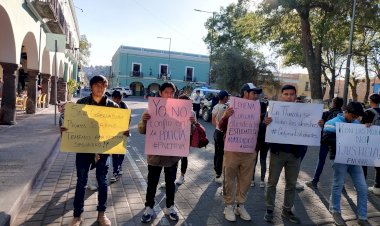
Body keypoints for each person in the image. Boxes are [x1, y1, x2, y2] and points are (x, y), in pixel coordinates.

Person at [63, 75, 126, 226]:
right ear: (91, 87)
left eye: (103, 85)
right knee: (81, 182)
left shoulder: (113, 107)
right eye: (97, 84)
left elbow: (118, 128)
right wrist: (66, 128)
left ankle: (101, 214)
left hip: (103, 149)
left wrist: (123, 133)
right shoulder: (81, 103)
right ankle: (77, 215)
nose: (100, 87)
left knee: (103, 182)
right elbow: (72, 123)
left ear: (106, 87)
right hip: (84, 149)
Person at [264, 85, 323, 224]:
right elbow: (264, 130)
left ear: (296, 96)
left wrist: (319, 124)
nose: (289, 97)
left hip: (295, 155)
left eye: (292, 94)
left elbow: (313, 129)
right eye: (286, 94)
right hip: (277, 153)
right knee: (272, 182)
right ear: (281, 95)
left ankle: (287, 210)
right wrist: (265, 123)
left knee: (291, 184)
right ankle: (269, 210)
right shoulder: (273, 110)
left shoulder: (307, 112)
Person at [138, 82, 195, 223]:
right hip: (155, 155)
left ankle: (170, 207)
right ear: (161, 93)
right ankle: (149, 207)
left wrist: (191, 124)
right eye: (166, 92)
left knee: (171, 183)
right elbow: (141, 130)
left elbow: (189, 133)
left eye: (172, 92)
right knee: (152, 182)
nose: (169, 95)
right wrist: (144, 121)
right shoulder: (152, 109)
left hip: (172, 156)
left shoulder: (181, 110)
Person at [218, 83, 261, 222]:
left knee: (246, 180)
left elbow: (260, 130)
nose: (256, 96)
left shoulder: (258, 108)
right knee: (229, 179)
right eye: (253, 93)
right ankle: (228, 206)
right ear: (245, 93)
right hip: (232, 151)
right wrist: (226, 117)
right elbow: (221, 127)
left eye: (256, 93)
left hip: (249, 151)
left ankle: (240, 205)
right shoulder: (232, 107)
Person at [322, 102, 370, 226]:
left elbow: (363, 139)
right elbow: (325, 139)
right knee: (338, 185)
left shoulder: (356, 123)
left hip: (355, 159)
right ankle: (335, 211)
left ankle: (362, 217)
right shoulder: (332, 122)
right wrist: (344, 139)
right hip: (339, 159)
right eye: (353, 116)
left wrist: (367, 129)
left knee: (362, 187)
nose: (355, 119)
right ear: (346, 112)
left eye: (357, 117)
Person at [306, 97, 343, 189]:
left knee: (321, 160)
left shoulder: (326, 113)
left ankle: (315, 181)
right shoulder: (342, 115)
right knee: (338, 163)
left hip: (325, 141)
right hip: (338, 142)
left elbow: (317, 122)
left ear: (333, 103)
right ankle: (341, 185)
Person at [110, 90, 130, 183]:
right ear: (112, 98)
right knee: (114, 153)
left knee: (121, 152)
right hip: (112, 133)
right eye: (115, 98)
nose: (117, 101)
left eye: (119, 99)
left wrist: (126, 129)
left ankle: (119, 165)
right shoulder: (109, 105)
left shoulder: (124, 106)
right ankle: (115, 172)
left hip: (122, 133)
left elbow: (128, 118)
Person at [362, 93, 380, 195]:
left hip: (368, 142)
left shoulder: (368, 112)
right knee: (378, 164)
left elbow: (361, 127)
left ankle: (362, 183)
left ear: (371, 101)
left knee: (364, 162)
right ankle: (377, 186)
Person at [211, 90, 229, 184]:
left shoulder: (215, 106)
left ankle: (216, 170)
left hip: (216, 131)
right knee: (221, 153)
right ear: (225, 97)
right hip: (222, 133)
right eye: (227, 97)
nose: (228, 98)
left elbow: (213, 120)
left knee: (217, 152)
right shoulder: (226, 108)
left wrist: (217, 127)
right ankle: (218, 173)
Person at [251, 99, 269, 188]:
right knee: (263, 161)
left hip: (256, 142)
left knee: (253, 161)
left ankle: (252, 180)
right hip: (265, 143)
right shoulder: (268, 118)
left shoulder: (255, 117)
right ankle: (262, 180)